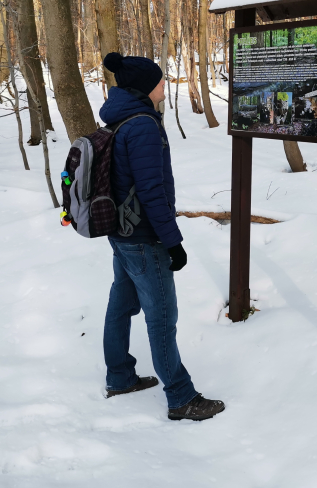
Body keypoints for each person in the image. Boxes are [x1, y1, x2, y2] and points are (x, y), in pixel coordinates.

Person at [98, 52, 225, 422]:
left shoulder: (120, 116)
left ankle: (120, 376)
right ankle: (181, 397)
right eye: (160, 80)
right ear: (145, 87)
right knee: (161, 315)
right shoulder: (142, 126)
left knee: (121, 305)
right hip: (142, 237)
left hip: (121, 234)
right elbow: (152, 191)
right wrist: (173, 242)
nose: (163, 85)